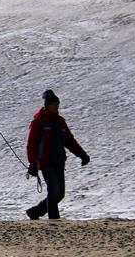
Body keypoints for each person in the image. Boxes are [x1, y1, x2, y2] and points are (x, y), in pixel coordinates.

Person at [25, 89, 90, 220]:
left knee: (60, 194)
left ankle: (35, 212)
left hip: (59, 161)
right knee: (53, 191)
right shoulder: (39, 121)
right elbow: (31, 143)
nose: (57, 107)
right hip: (46, 162)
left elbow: (69, 141)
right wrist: (32, 163)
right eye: (54, 104)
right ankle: (54, 220)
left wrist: (82, 155)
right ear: (47, 105)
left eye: (57, 104)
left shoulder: (60, 122)